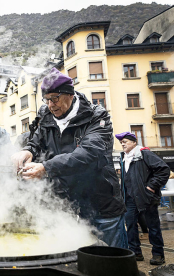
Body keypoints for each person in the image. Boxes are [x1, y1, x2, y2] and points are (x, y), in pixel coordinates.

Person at [11, 68, 127, 248]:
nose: (51, 105)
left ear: (70, 95)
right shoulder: (46, 115)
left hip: (102, 206)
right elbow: (36, 140)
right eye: (47, 99)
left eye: (55, 98)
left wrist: (46, 168)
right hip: (69, 208)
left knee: (111, 262)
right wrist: (28, 151)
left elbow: (88, 153)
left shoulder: (97, 116)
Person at [116, 131, 169, 265]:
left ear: (134, 142)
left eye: (125, 141)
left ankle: (158, 254)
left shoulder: (145, 154)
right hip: (129, 199)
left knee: (153, 226)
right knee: (131, 225)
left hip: (146, 197)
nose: (122, 143)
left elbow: (164, 170)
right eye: (121, 142)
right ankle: (135, 253)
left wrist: (151, 187)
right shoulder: (124, 157)